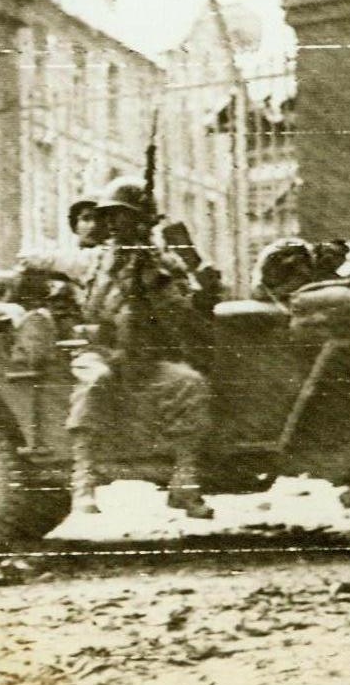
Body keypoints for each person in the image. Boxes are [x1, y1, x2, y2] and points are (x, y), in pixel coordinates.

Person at [22, 177, 215, 519]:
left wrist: (161, 281)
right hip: (98, 351)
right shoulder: (93, 260)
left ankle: (184, 483)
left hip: (145, 359)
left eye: (120, 216)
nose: (111, 223)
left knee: (190, 384)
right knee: (94, 381)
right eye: (108, 216)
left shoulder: (162, 265)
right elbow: (32, 258)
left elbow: (185, 314)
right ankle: (83, 480)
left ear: (141, 221)